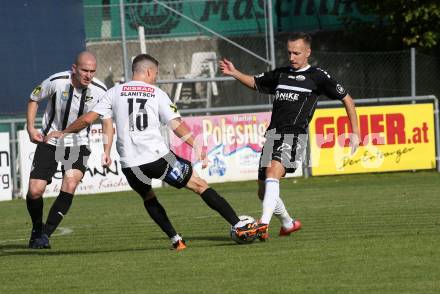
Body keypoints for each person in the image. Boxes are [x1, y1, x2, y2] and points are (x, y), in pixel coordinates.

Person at [45, 54, 257, 251]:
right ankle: (238, 224)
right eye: (155, 74)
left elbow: (87, 119)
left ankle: (175, 239)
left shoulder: (114, 92)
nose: (155, 78)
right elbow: (176, 125)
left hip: (130, 165)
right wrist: (197, 145)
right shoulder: (157, 93)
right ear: (147, 72)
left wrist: (63, 132)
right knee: (200, 186)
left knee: (148, 197)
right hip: (158, 159)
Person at [219, 32, 360, 241]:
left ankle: (262, 225)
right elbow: (257, 83)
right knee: (262, 190)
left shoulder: (318, 77)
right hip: (273, 135)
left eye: (296, 53)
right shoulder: (281, 74)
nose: (292, 57)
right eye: (289, 53)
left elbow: (347, 98)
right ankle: (288, 223)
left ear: (308, 52)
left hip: (294, 135)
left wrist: (355, 131)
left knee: (273, 172)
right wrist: (235, 73)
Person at [26, 51, 108, 249]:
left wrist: (107, 149)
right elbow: (33, 98)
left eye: (92, 71)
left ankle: (45, 235)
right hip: (51, 140)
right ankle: (37, 229)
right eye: (84, 70)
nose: (89, 75)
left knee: (70, 183)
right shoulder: (57, 81)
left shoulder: (100, 90)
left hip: (78, 144)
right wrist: (30, 128)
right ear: (74, 69)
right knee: (35, 191)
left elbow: (107, 121)